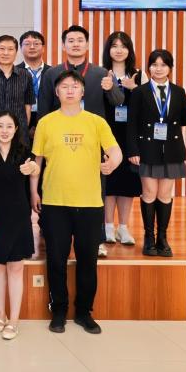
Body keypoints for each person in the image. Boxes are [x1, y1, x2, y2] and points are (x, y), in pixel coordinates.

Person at [34, 69, 122, 335]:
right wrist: (33, 193)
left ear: (83, 91)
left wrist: (112, 163)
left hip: (90, 204)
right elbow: (37, 162)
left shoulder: (96, 122)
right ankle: (58, 311)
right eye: (64, 86)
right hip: (54, 202)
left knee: (87, 261)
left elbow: (115, 151)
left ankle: (84, 312)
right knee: (56, 261)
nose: (70, 90)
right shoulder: (46, 122)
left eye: (75, 86)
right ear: (56, 92)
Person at [35, 25, 124, 258]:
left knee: (96, 187)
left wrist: (111, 88)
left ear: (87, 44)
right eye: (71, 40)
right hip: (58, 139)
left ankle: (97, 239)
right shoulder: (52, 73)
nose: (75, 44)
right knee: (53, 180)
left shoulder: (101, 73)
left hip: (91, 140)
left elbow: (118, 102)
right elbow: (44, 107)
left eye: (80, 40)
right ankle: (50, 231)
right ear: (63, 45)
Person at [126, 49, 186, 258]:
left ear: (170, 68)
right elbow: (131, 124)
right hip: (146, 150)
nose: (158, 69)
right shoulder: (140, 92)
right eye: (154, 64)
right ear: (149, 67)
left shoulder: (178, 91)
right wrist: (133, 150)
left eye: (163, 65)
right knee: (149, 193)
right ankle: (149, 237)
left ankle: (162, 238)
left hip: (172, 150)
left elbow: (183, 120)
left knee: (165, 195)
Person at [0, 112, 39, 341]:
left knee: (16, 268)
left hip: (19, 218)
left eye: (9, 126)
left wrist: (33, 168)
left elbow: (35, 170)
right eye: (0, 126)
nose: (4, 130)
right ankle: (0, 315)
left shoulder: (24, 153)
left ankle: (14, 320)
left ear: (16, 129)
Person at [101, 31, 143, 246]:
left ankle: (123, 227)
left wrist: (135, 89)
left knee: (128, 181)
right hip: (107, 133)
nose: (119, 50)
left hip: (130, 135)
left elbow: (147, 106)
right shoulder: (102, 73)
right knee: (109, 180)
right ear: (108, 50)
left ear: (129, 50)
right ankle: (108, 226)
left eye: (123, 46)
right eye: (114, 46)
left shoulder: (138, 75)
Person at [18, 30, 49, 133]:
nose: (32, 47)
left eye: (36, 44)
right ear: (20, 48)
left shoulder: (53, 72)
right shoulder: (14, 72)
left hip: (47, 118)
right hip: (19, 119)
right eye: (27, 44)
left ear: (43, 48)